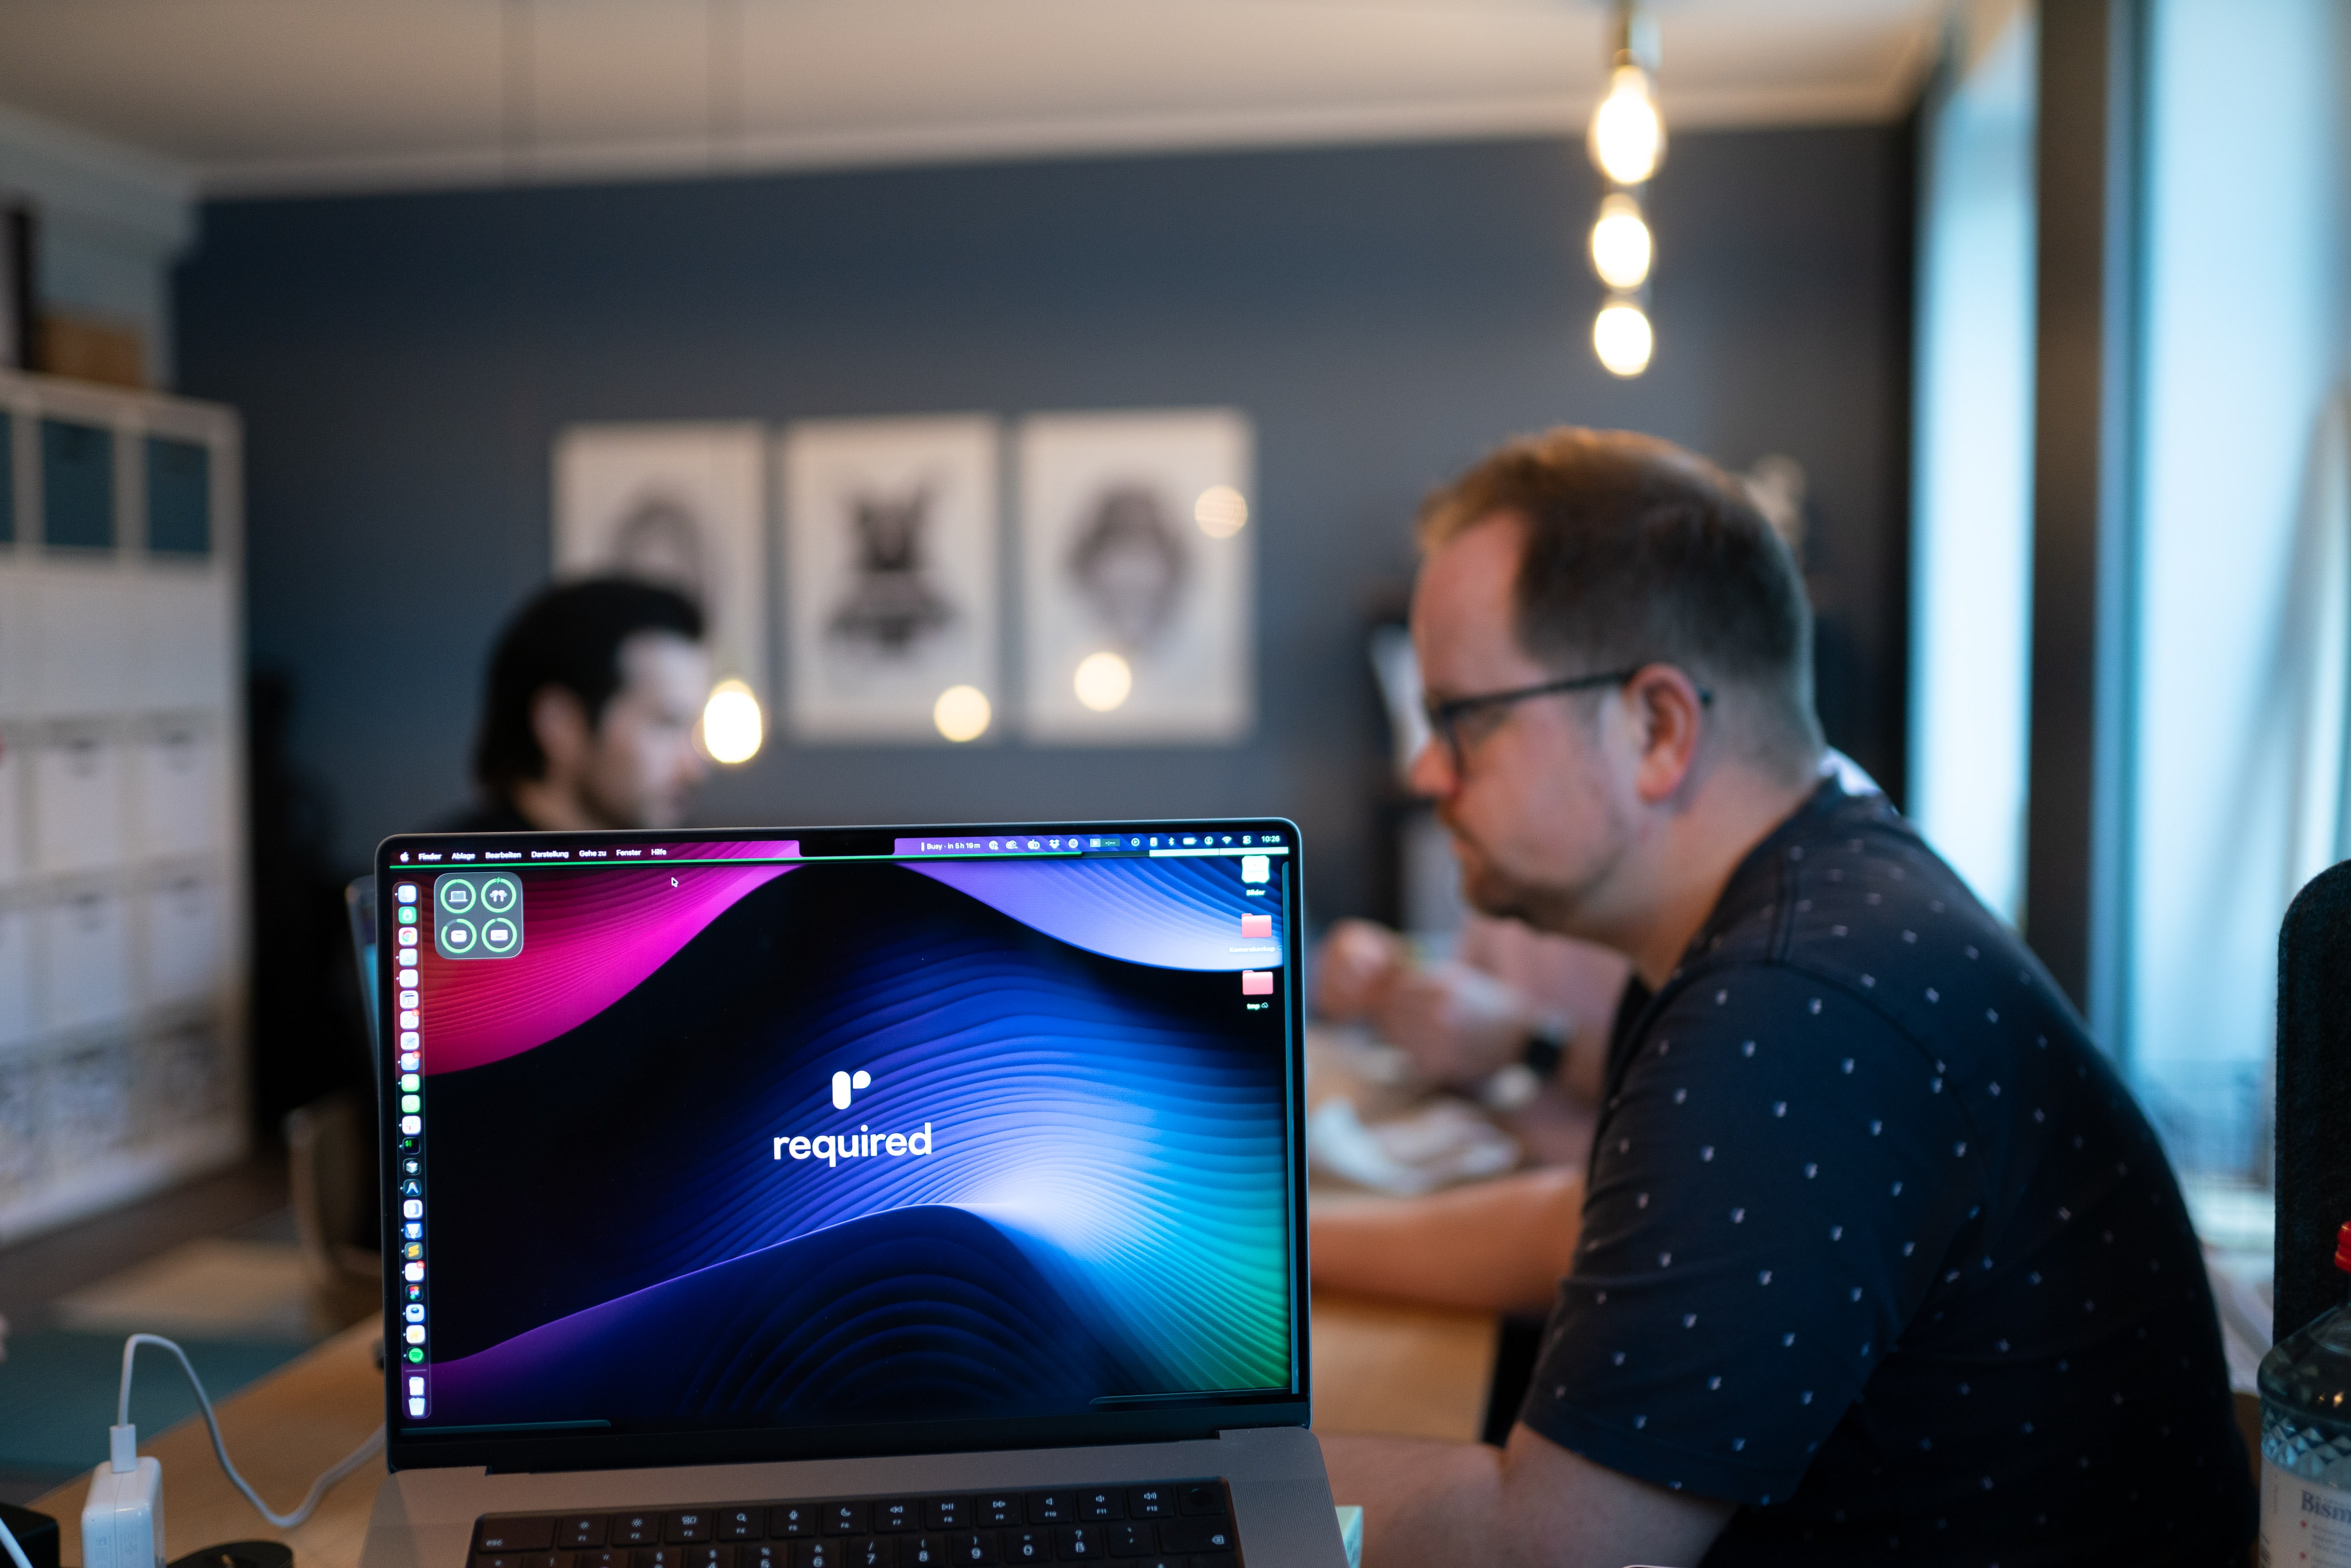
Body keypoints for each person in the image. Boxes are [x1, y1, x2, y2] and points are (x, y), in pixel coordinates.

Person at [1313, 429, 2253, 1565]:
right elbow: (1604, 1226)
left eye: (1460, 718)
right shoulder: (1816, 894)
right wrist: (1285, 1251)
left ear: (1655, 727)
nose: (1425, 769)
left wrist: (1111, 1482)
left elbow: (1554, 1550)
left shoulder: (1789, 1004)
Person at [444, 577, 712, 833]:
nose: (693, 770)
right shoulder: (435, 874)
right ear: (562, 724)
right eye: (667, 725)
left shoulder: (692, 872)